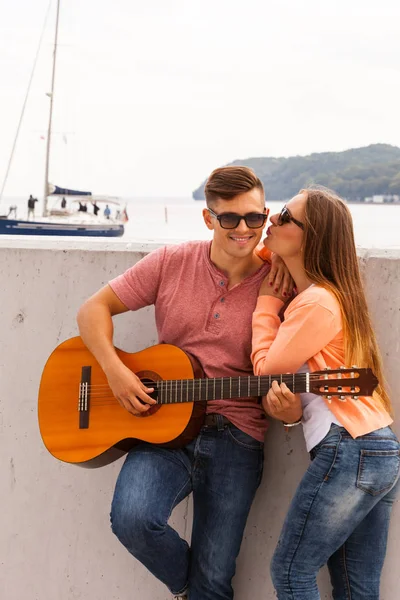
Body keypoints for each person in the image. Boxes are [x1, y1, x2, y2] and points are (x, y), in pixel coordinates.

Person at [76, 166, 293, 600]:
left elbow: (278, 377)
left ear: (266, 215)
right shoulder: (172, 262)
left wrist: (285, 414)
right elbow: (92, 310)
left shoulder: (280, 282)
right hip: (162, 429)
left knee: (215, 580)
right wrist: (116, 372)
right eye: (229, 218)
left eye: (254, 218)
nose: (244, 229)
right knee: (134, 520)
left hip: (238, 437)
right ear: (209, 218)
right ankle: (189, 589)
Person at [251, 186, 399, 600]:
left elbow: (267, 371)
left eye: (283, 216)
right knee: (355, 589)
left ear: (311, 239)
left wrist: (265, 305)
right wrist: (277, 253)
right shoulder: (329, 296)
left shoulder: (316, 302)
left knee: (291, 572)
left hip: (349, 448)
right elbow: (256, 253)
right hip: (376, 448)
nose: (270, 221)